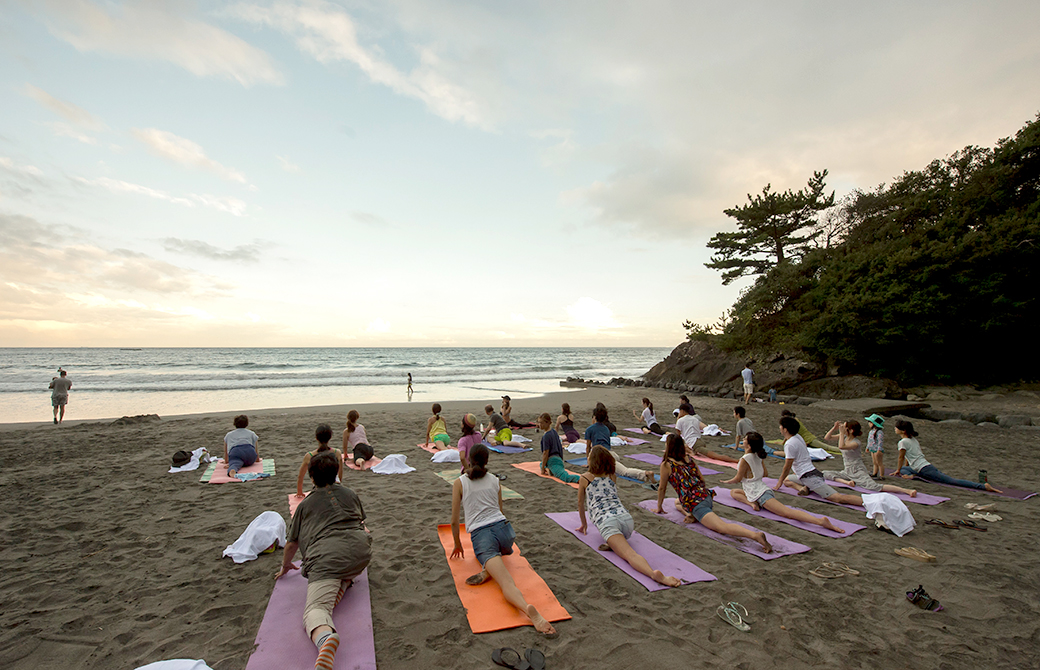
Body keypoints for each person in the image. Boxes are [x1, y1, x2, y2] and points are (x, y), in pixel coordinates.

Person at [276, 451, 372, 670]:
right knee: (341, 575)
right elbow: (362, 521)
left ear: (311, 478)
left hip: (329, 561)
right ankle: (346, 581)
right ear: (337, 472)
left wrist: (285, 566)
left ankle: (325, 639)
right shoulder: (349, 493)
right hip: (360, 555)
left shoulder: (304, 506)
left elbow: (292, 543)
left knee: (315, 610)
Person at [450, 444, 557, 636]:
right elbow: (500, 510)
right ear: (487, 461)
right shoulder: (495, 480)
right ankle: (487, 569)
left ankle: (530, 612)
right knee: (497, 557)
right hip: (506, 534)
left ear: (469, 460)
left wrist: (457, 543)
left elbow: (454, 520)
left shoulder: (460, 482)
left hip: (483, 537)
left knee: (506, 582)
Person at [578, 446, 681, 587]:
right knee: (620, 543)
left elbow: (580, 504)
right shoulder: (612, 475)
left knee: (630, 555)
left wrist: (584, 524)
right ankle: (612, 544)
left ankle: (653, 574)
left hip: (608, 521)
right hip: (626, 520)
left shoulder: (584, 478)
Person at [656, 434, 773, 553]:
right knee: (677, 502)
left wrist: (659, 507)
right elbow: (701, 479)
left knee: (721, 527)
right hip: (705, 496)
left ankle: (755, 535)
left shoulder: (666, 465)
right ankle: (692, 514)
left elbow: (662, 488)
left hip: (696, 503)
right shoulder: (688, 458)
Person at [723, 432, 846, 533]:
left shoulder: (745, 459)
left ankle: (820, 521)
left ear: (748, 445)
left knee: (787, 513)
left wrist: (727, 481)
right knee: (734, 493)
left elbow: (738, 479)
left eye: (744, 439)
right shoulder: (757, 455)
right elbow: (765, 474)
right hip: (759, 491)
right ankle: (752, 504)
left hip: (761, 494)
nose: (743, 440)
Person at [774, 416, 863, 506]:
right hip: (809, 474)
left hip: (810, 477)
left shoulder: (789, 444)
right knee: (787, 480)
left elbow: (787, 466)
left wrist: (779, 482)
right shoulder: (797, 437)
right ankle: (804, 488)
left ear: (785, 429)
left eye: (780, 426)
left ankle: (866, 502)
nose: (779, 428)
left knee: (838, 498)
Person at [894, 420, 1001, 492]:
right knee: (904, 469)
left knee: (951, 481)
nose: (895, 429)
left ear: (903, 431)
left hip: (924, 469)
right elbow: (908, 458)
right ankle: (914, 475)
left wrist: (898, 471)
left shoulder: (903, 442)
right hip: (923, 466)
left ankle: (982, 486)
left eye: (897, 428)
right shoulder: (913, 439)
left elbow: (901, 457)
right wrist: (904, 469)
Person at [822, 420, 917, 496]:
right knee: (824, 473)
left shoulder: (856, 443)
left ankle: (906, 490)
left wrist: (841, 433)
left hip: (857, 470)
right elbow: (827, 438)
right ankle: (847, 482)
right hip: (847, 470)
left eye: (845, 427)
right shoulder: (845, 437)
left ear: (850, 430)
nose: (842, 429)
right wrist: (834, 428)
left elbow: (841, 447)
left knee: (874, 486)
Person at [584, 406, 655, 484]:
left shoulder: (590, 429)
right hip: (611, 454)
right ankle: (645, 474)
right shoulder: (606, 429)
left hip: (602, 456)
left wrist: (589, 464)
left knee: (624, 472)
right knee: (623, 469)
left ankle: (645, 474)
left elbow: (588, 447)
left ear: (594, 417)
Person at [296, 424, 344, 498]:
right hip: (335, 484)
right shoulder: (337, 452)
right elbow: (340, 472)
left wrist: (299, 492)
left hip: (318, 486)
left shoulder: (309, 456)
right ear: (330, 437)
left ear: (316, 438)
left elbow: (300, 476)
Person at [538, 412, 580, 483]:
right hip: (558, 458)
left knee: (565, 477)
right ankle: (548, 468)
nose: (540, 425)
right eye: (539, 423)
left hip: (553, 461)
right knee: (541, 463)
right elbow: (559, 447)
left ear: (548, 423)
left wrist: (542, 470)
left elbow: (546, 453)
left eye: (542, 423)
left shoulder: (546, 436)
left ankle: (581, 479)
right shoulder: (554, 432)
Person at [864, 414, 886, 479]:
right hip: (872, 448)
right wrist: (868, 447)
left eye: (870, 422)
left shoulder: (879, 432)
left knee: (879, 462)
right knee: (874, 462)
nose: (869, 424)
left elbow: (880, 441)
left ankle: (881, 475)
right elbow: (869, 441)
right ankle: (874, 473)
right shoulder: (871, 431)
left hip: (877, 449)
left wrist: (879, 449)